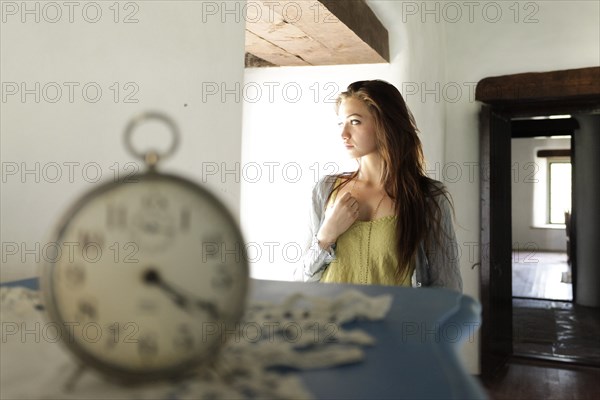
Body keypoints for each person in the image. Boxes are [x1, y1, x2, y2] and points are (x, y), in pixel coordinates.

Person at [297, 80, 462, 292]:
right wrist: (326, 236)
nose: (343, 134)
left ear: (385, 123)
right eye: (341, 124)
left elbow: (448, 288)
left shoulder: (427, 197)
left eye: (354, 122)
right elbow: (301, 279)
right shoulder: (326, 190)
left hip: (395, 324)